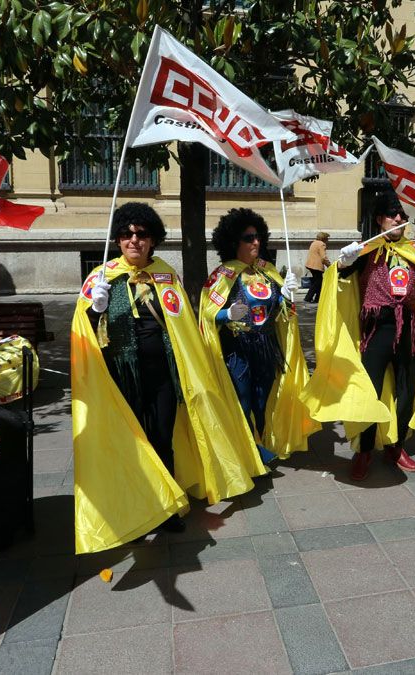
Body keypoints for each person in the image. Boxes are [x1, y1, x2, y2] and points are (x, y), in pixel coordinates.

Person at [71, 202, 265, 551]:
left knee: (162, 436)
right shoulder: (101, 278)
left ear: (153, 240)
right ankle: (134, 507)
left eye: (141, 234)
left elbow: (183, 328)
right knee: (130, 442)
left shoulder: (165, 275)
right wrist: (93, 309)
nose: (134, 241)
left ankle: (167, 507)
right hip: (119, 376)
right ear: (117, 240)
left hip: (162, 372)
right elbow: (83, 337)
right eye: (126, 234)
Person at [301, 189, 415, 481]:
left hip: (408, 329)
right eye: (392, 214)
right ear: (380, 219)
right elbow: (341, 275)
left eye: (402, 215)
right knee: (370, 391)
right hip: (375, 330)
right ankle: (364, 450)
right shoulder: (366, 249)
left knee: (407, 392)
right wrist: (343, 262)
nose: (398, 219)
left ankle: (396, 446)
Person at [199, 209, 319, 465]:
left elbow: (280, 312)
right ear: (233, 242)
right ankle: (247, 451)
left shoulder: (267, 271)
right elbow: (206, 315)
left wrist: (286, 296)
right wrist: (225, 315)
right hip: (237, 349)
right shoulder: (223, 275)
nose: (256, 242)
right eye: (248, 238)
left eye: (257, 237)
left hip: (266, 347)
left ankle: (261, 442)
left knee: (262, 400)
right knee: (242, 400)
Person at [304, 231, 330, 303]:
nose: (328, 240)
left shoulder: (314, 242)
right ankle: (308, 298)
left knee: (318, 282)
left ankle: (317, 299)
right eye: (327, 238)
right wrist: (329, 265)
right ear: (324, 238)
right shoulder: (322, 244)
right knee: (317, 282)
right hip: (316, 266)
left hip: (310, 264)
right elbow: (323, 257)